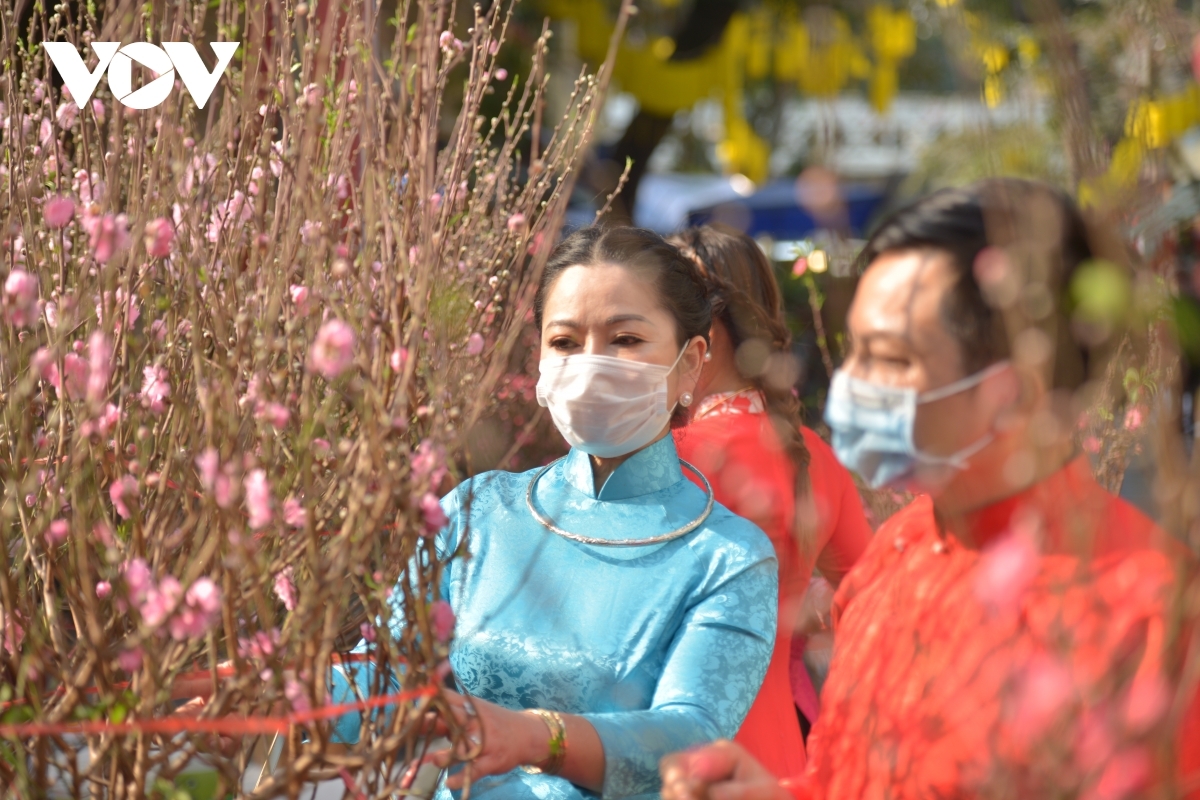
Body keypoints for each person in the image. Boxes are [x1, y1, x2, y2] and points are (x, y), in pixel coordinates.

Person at [659, 179, 1200, 799]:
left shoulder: (1150, 617)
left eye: (889, 359)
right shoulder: (896, 554)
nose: (852, 385)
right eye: (853, 352)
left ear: (1015, 388)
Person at [331, 226, 779, 800]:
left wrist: (541, 737)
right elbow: (389, 680)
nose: (591, 365)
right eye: (565, 342)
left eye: (625, 339)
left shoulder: (728, 557)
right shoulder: (478, 510)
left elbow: (692, 740)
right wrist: (272, 703)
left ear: (691, 364)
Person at [668, 226, 871, 778]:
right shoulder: (815, 455)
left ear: (705, 326)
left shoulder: (670, 461)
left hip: (682, 760)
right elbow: (876, 597)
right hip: (784, 763)